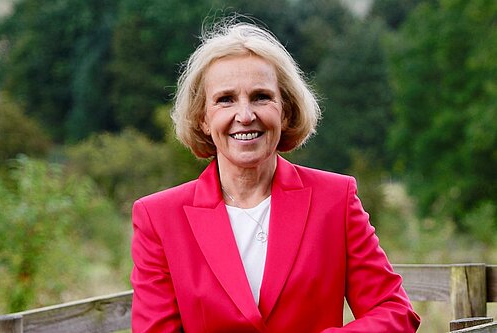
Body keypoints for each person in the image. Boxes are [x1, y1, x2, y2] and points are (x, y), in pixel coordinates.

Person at [130, 20, 421, 332]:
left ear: (285, 110)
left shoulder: (336, 198)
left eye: (261, 97)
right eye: (225, 99)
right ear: (203, 118)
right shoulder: (158, 218)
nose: (245, 116)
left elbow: (393, 310)